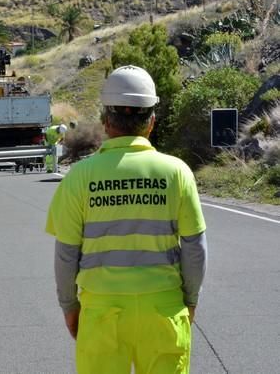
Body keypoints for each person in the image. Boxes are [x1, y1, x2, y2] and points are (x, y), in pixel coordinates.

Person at [45, 65, 207, 374]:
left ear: (106, 120)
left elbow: (66, 254)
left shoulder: (79, 178)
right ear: (151, 121)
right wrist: (190, 299)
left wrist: (69, 307)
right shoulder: (177, 173)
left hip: (102, 313)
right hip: (163, 309)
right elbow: (195, 247)